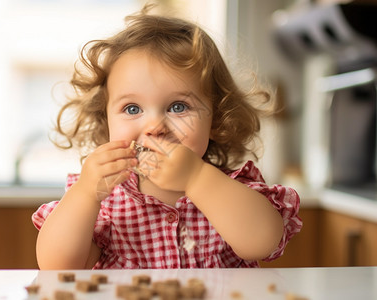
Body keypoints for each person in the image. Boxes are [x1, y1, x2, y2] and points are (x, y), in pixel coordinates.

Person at [32, 6, 302, 270]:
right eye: (132, 109)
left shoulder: (234, 187)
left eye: (178, 107)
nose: (154, 127)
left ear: (216, 119)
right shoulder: (103, 198)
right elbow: (58, 268)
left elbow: (262, 243)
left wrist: (196, 177)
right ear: (106, 121)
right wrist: (85, 195)